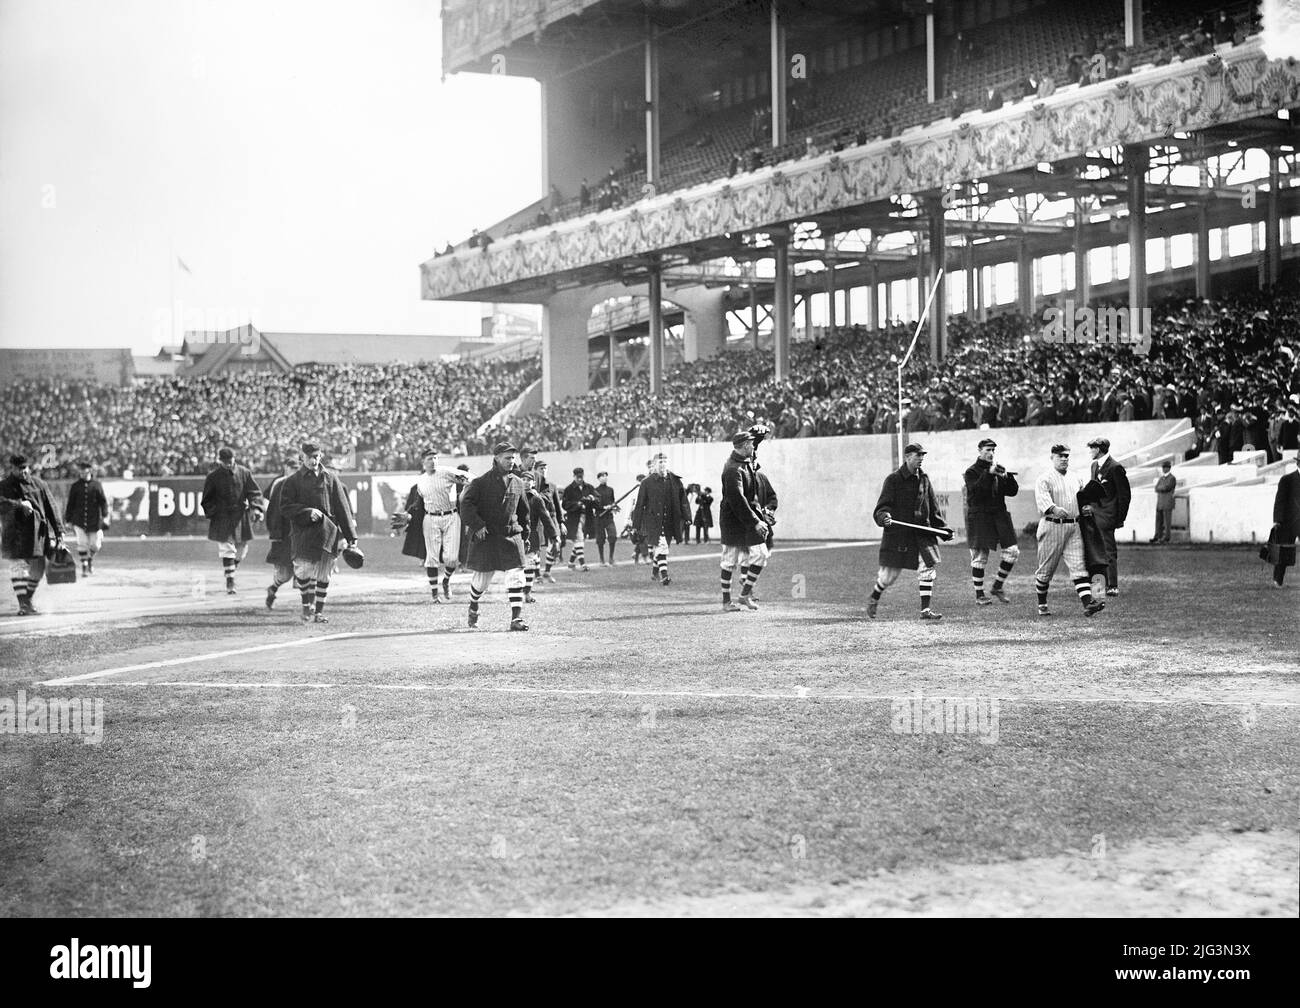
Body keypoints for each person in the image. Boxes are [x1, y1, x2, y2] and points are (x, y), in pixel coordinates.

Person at [278, 441, 358, 624]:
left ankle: (318, 612)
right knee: (303, 572)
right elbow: (285, 507)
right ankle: (306, 605)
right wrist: (306, 512)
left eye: (316, 457)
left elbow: (342, 507)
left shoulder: (330, 478)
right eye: (309, 457)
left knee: (325, 574)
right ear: (302, 458)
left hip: (327, 532)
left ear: (320, 456)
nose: (313, 461)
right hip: (303, 532)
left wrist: (351, 537)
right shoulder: (292, 481)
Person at [868, 443, 947, 621]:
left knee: (927, 567)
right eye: (917, 455)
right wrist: (884, 517)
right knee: (889, 576)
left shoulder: (924, 479)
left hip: (921, 533)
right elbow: (882, 507)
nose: (921, 458)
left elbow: (933, 507)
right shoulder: (893, 480)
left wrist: (942, 529)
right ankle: (874, 597)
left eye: (922, 456)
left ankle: (925, 611)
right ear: (907, 457)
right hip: (899, 535)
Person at [459, 441, 530, 631]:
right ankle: (473, 606)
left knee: (516, 575)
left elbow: (524, 512)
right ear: (496, 459)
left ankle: (516, 619)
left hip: (511, 535)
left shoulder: (518, 482)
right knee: (481, 581)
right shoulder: (480, 482)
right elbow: (465, 505)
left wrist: (526, 533)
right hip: (487, 537)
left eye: (513, 458)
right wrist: (477, 525)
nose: (511, 461)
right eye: (507, 458)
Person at [1033, 444, 1106, 618]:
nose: (1064, 458)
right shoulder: (1044, 479)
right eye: (1060, 456)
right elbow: (1043, 501)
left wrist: (1087, 506)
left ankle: (1089, 603)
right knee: (1046, 570)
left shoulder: (1076, 478)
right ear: (1052, 458)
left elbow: (1083, 498)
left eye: (1066, 456)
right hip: (1052, 526)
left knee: (1079, 566)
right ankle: (1042, 604)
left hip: (1074, 526)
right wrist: (1053, 508)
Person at [0, 453, 65, 616]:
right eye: (19, 468)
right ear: (12, 468)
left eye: (25, 468)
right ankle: (23, 604)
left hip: (37, 533)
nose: (23, 471)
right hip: (14, 533)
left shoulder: (39, 484)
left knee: (39, 568)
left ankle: (27, 599)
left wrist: (59, 532)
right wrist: (18, 504)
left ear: (29, 467)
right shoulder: (4, 485)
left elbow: (52, 508)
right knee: (18, 567)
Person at [200, 446, 265, 595]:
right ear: (219, 461)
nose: (228, 464)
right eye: (225, 462)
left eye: (230, 461)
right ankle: (230, 582)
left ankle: (230, 570)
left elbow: (254, 493)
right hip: (222, 518)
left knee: (242, 550)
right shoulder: (213, 477)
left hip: (240, 516)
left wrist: (256, 508)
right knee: (227, 548)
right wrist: (215, 513)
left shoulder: (244, 473)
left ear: (234, 459)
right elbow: (206, 500)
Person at [719, 431, 772, 611]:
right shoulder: (733, 469)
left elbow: (752, 449)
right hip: (732, 521)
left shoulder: (744, 461)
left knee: (761, 554)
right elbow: (737, 500)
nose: (753, 447)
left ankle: (743, 595)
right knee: (729, 560)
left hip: (747, 518)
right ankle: (726, 602)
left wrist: (759, 435)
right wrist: (756, 522)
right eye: (750, 444)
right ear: (742, 447)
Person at [964, 438, 1020, 605]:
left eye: (993, 450)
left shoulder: (996, 469)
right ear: (979, 451)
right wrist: (990, 473)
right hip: (980, 516)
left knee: (1012, 551)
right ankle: (980, 595)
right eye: (988, 450)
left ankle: (997, 586)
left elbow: (1012, 492)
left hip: (999, 515)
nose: (991, 453)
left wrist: (1007, 476)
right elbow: (977, 492)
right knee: (980, 556)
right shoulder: (971, 472)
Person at [414, 449, 468, 603]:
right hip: (431, 518)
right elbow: (418, 502)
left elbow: (470, 479)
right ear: (423, 462)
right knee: (431, 558)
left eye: (435, 458)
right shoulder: (421, 480)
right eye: (430, 458)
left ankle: (446, 580)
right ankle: (434, 595)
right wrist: (409, 515)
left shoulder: (447, 472)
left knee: (451, 558)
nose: (433, 461)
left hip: (451, 515)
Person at [630, 452, 689, 586]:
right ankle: (664, 576)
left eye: (665, 462)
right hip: (653, 520)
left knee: (663, 546)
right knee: (661, 546)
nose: (663, 465)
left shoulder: (675, 480)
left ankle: (655, 572)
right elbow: (639, 505)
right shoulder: (646, 483)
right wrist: (636, 525)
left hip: (670, 520)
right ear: (655, 465)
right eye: (660, 462)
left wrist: (687, 516)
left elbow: (683, 500)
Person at [1086, 436, 1130, 596]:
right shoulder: (1094, 466)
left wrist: (1119, 518)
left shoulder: (1115, 467)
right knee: (1095, 552)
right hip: (1094, 515)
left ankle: (1112, 585)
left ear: (1098, 449)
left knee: (1108, 551)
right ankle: (1098, 587)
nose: (1090, 451)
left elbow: (1124, 495)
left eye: (1092, 448)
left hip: (1108, 516)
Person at [263, 452, 301, 610]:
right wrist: (274, 532)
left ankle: (309, 605)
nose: (295, 470)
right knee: (285, 573)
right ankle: (273, 588)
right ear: (286, 467)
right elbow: (272, 509)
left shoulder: (302, 483)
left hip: (300, 534)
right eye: (292, 467)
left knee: (305, 569)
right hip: (284, 534)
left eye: (297, 467)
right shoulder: (279, 483)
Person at [64, 459, 109, 577]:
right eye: (81, 471)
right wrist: (68, 520)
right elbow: (70, 504)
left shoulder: (96, 485)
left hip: (94, 520)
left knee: (95, 545)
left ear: (90, 471)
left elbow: (103, 502)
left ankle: (89, 560)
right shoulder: (75, 486)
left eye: (84, 471)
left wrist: (105, 515)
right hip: (78, 520)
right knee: (82, 543)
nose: (82, 473)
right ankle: (84, 566)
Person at [1270, 458, 1300, 588]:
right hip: (1288, 522)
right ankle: (1278, 580)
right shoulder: (1287, 480)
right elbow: (1280, 501)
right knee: (1282, 553)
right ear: (1298, 463)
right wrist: (1277, 520)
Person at [562, 467, 598, 572]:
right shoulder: (569, 489)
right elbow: (565, 504)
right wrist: (577, 504)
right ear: (574, 477)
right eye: (577, 477)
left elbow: (598, 499)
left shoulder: (589, 487)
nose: (579, 479)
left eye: (581, 477)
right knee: (579, 539)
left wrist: (592, 498)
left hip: (587, 517)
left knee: (580, 540)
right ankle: (582, 564)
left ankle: (571, 563)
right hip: (574, 518)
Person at [534, 458, 564, 583]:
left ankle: (547, 571)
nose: (544, 471)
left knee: (555, 544)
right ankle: (537, 575)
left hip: (551, 518)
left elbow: (557, 506)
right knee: (536, 547)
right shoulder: (532, 485)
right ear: (535, 470)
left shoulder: (552, 486)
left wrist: (561, 522)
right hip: (537, 519)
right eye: (541, 468)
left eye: (545, 468)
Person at [593, 471, 620, 566]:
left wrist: (614, 508)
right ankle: (601, 560)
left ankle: (611, 558)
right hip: (599, 517)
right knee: (600, 539)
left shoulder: (610, 490)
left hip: (609, 517)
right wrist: (603, 507)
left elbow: (612, 501)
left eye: (606, 476)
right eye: (602, 476)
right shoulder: (595, 490)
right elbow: (594, 505)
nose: (604, 478)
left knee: (613, 536)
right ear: (599, 478)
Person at [1152, 461, 1177, 544]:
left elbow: (1167, 487)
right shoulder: (1161, 478)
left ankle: (1166, 537)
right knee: (1159, 521)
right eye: (1163, 467)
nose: (1164, 469)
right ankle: (1157, 536)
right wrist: (1161, 488)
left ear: (1169, 468)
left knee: (1167, 521)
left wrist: (1160, 488)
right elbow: (1156, 488)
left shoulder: (1172, 478)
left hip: (1167, 502)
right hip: (1160, 502)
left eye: (1165, 467)